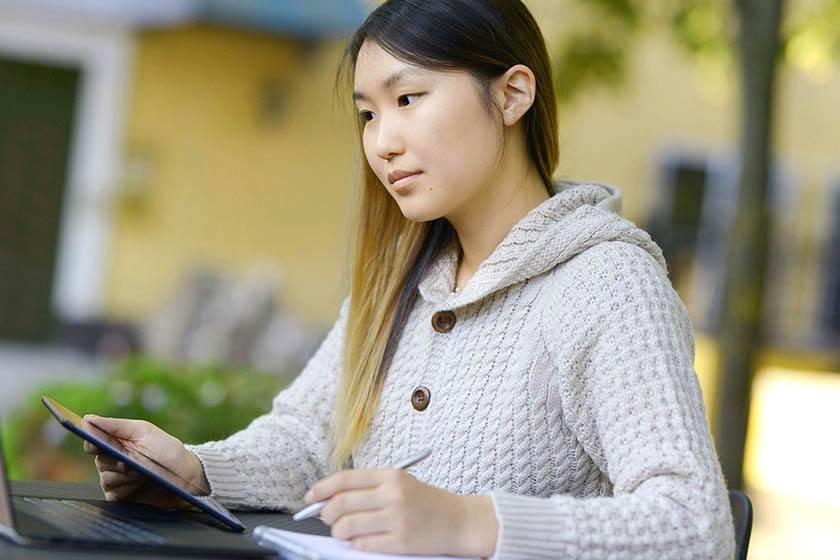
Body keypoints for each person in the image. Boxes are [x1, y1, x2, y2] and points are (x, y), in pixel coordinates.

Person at [82, 0, 736, 558]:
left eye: (408, 99)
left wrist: (469, 523)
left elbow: (694, 525)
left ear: (512, 94)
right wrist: (194, 470)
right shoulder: (405, 277)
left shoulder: (606, 284)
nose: (383, 142)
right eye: (369, 113)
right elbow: (307, 441)